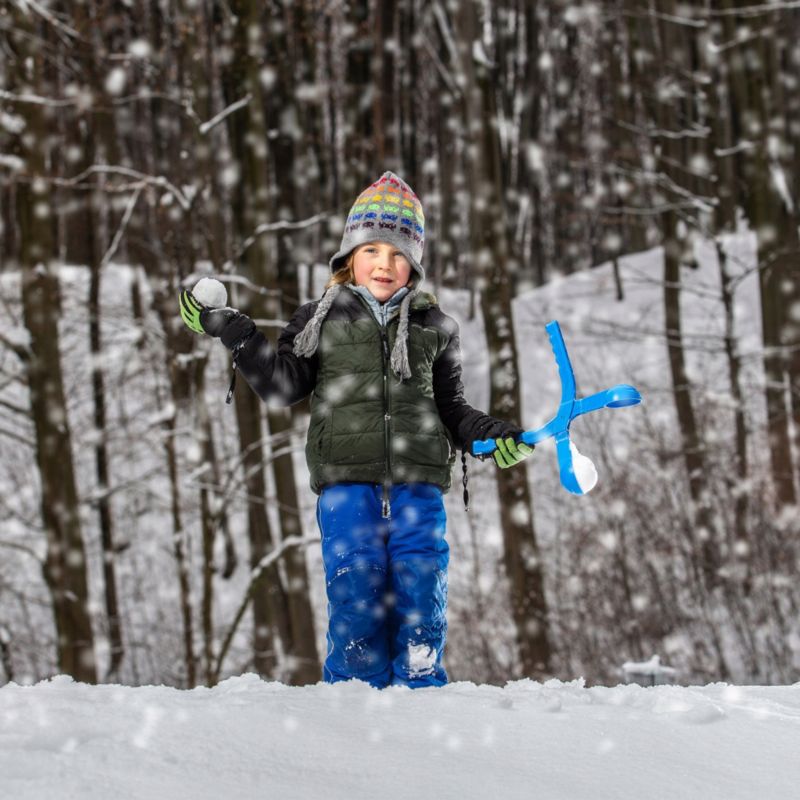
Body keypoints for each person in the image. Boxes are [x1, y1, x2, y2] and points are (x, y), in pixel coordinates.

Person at [179, 171, 533, 688]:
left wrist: (492, 437)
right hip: (346, 486)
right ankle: (352, 704)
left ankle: (420, 699)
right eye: (372, 251)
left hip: (418, 486)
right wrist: (237, 333)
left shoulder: (437, 328)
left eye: (397, 253)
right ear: (349, 258)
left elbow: (452, 410)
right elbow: (281, 387)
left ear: (414, 262)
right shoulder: (317, 320)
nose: (385, 265)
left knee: (420, 596)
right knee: (357, 594)